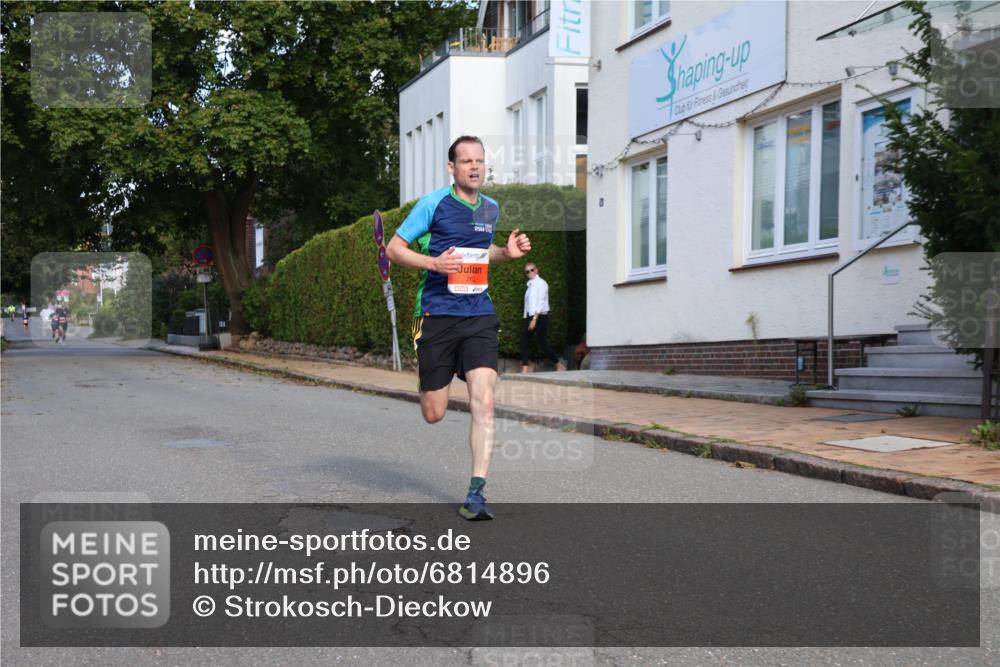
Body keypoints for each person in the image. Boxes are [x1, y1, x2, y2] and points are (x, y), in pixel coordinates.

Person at [386, 135, 531, 521]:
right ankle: (435, 373)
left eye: (479, 160)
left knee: (484, 401)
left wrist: (506, 254)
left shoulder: (491, 209)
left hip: (479, 314)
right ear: (452, 167)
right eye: (466, 161)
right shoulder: (433, 204)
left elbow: (483, 255)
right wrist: (434, 264)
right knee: (434, 412)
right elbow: (394, 249)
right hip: (435, 314)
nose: (474, 167)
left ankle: (477, 492)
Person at [520, 263, 566, 373]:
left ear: (536, 270)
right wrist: (526, 317)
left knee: (542, 344)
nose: (530, 272)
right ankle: (525, 368)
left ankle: (559, 364)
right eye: (527, 271)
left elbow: (541, 302)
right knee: (524, 341)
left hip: (540, 317)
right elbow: (528, 304)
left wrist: (534, 319)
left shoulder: (542, 284)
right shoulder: (530, 286)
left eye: (532, 270)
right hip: (530, 316)